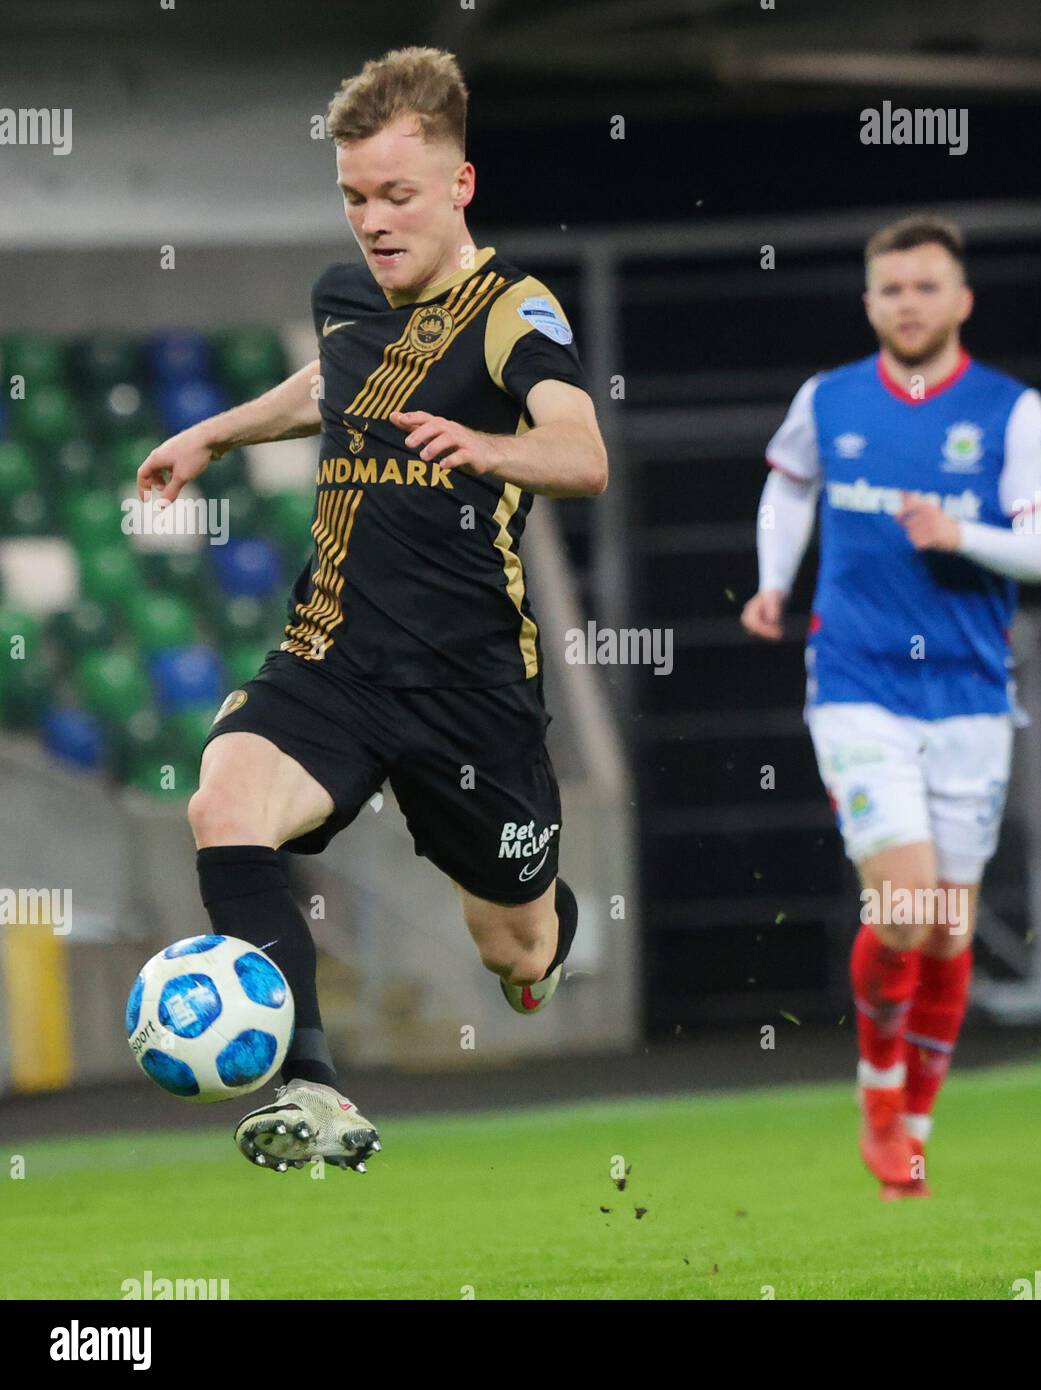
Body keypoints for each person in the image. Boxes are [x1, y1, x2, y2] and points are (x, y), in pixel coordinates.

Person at [137, 46, 607, 1173]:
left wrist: (487, 445)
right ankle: (313, 1085)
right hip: (333, 657)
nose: (373, 221)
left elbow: (581, 454)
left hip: (468, 691)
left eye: (398, 195)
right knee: (223, 804)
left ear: (460, 186)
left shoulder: (512, 312)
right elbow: (328, 385)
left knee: (517, 946)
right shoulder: (345, 296)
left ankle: (547, 923)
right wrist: (213, 431)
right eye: (354, 197)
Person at [741, 214, 1041, 1198]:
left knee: (945, 930)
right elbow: (789, 490)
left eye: (928, 286)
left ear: (961, 299)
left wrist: (960, 530)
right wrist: (773, 579)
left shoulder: (1009, 411)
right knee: (901, 905)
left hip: (970, 695)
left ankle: (916, 1127)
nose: (909, 302)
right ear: (870, 302)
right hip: (856, 682)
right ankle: (878, 1093)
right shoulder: (830, 399)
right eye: (892, 288)